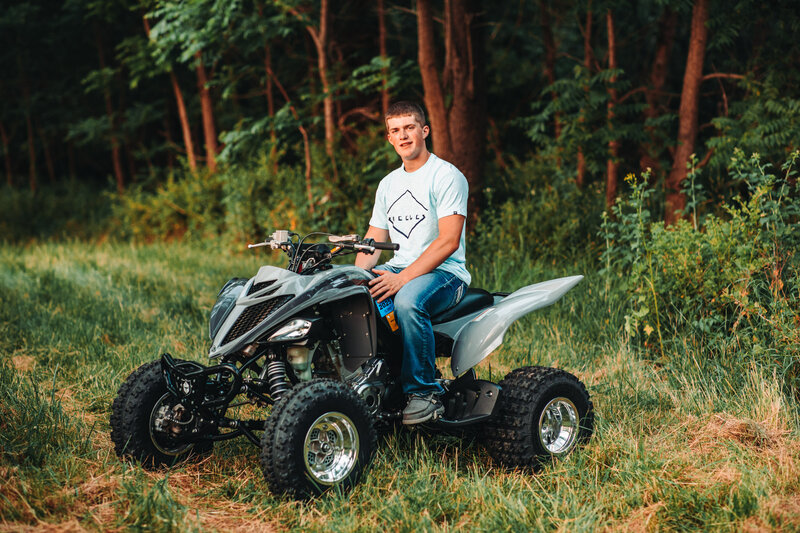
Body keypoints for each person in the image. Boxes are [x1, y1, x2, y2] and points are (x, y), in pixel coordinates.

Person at [355, 101, 470, 425]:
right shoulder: (389, 183)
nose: (403, 135)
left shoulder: (446, 176)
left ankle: (424, 393)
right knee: (346, 294)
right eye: (395, 130)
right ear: (390, 138)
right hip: (401, 267)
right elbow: (373, 240)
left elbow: (448, 241)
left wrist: (402, 279)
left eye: (409, 127)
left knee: (407, 302)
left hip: (446, 273)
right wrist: (355, 275)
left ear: (424, 131)